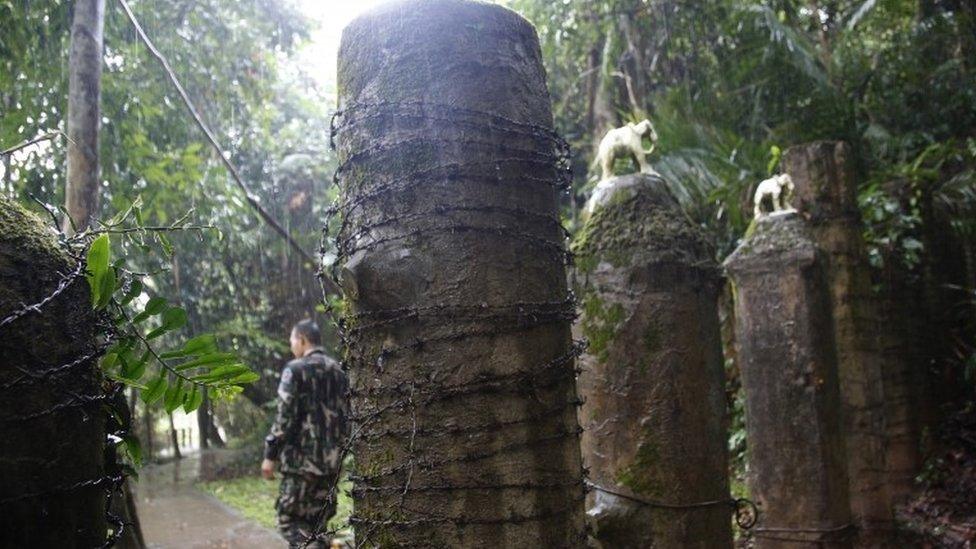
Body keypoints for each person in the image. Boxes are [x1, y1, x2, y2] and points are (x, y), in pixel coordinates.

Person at [262, 319, 349, 548]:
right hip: (332, 464)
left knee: (288, 521)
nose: (291, 346)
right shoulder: (339, 371)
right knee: (316, 526)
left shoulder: (295, 369)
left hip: (301, 465)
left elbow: (284, 417)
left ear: (302, 339)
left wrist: (270, 455)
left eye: (292, 340)